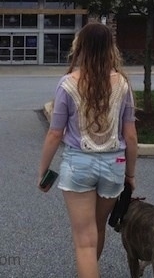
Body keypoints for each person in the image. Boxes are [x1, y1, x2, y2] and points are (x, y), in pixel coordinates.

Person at [37, 22, 137, 278]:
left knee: (84, 240)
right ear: (110, 49)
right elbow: (130, 135)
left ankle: (86, 269)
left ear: (80, 47)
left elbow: (55, 133)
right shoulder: (123, 84)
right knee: (98, 229)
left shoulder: (68, 84)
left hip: (78, 165)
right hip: (114, 165)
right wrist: (131, 174)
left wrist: (43, 170)